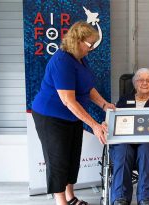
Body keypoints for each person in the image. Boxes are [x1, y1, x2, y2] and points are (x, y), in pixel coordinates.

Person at [31, 21, 115, 205]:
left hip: (72, 116)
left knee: (72, 158)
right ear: (77, 40)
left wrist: (104, 104)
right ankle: (61, 201)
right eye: (90, 44)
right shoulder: (62, 61)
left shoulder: (80, 57)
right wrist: (94, 125)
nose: (92, 48)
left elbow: (87, 87)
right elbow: (68, 100)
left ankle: (71, 197)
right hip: (51, 116)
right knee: (58, 159)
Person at [110, 68, 149, 205]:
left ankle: (145, 198)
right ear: (135, 83)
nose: (144, 83)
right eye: (141, 80)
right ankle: (120, 198)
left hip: (148, 142)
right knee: (123, 151)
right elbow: (116, 121)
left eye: (148, 80)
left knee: (146, 150)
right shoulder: (124, 100)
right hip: (125, 141)